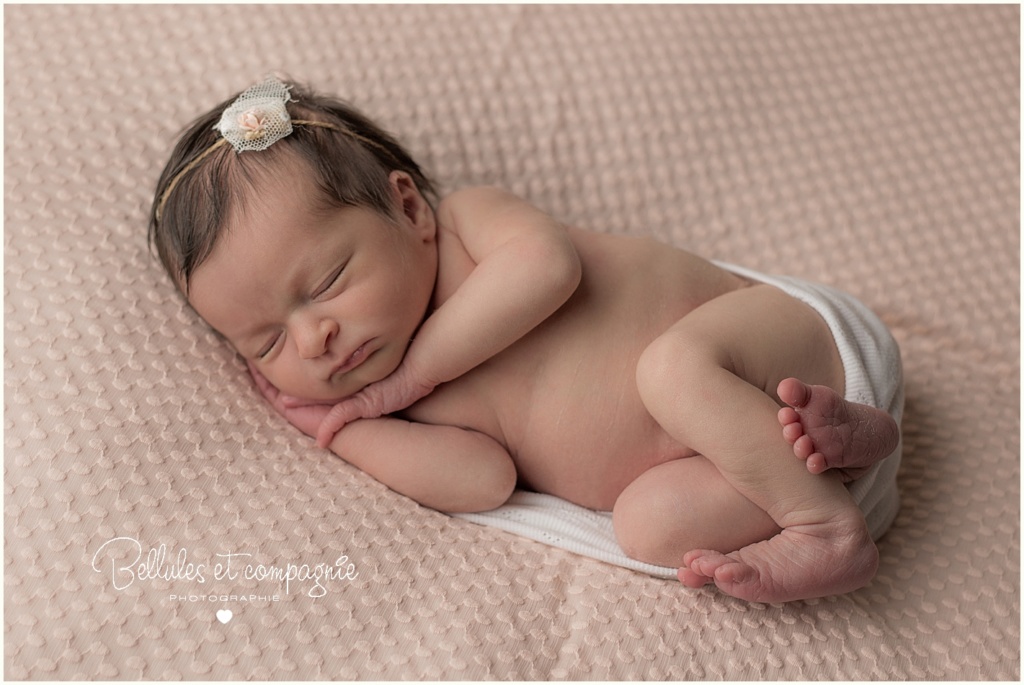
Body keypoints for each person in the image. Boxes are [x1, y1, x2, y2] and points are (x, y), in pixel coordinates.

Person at [149, 77, 902, 603]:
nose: (314, 336)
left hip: (773, 346)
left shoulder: (468, 227)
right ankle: (836, 464)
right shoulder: (394, 415)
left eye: (327, 281)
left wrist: (415, 374)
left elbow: (548, 267)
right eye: (266, 341)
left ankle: (828, 530)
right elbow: (483, 481)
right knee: (647, 528)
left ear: (406, 208)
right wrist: (342, 427)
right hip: (763, 455)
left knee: (672, 369)